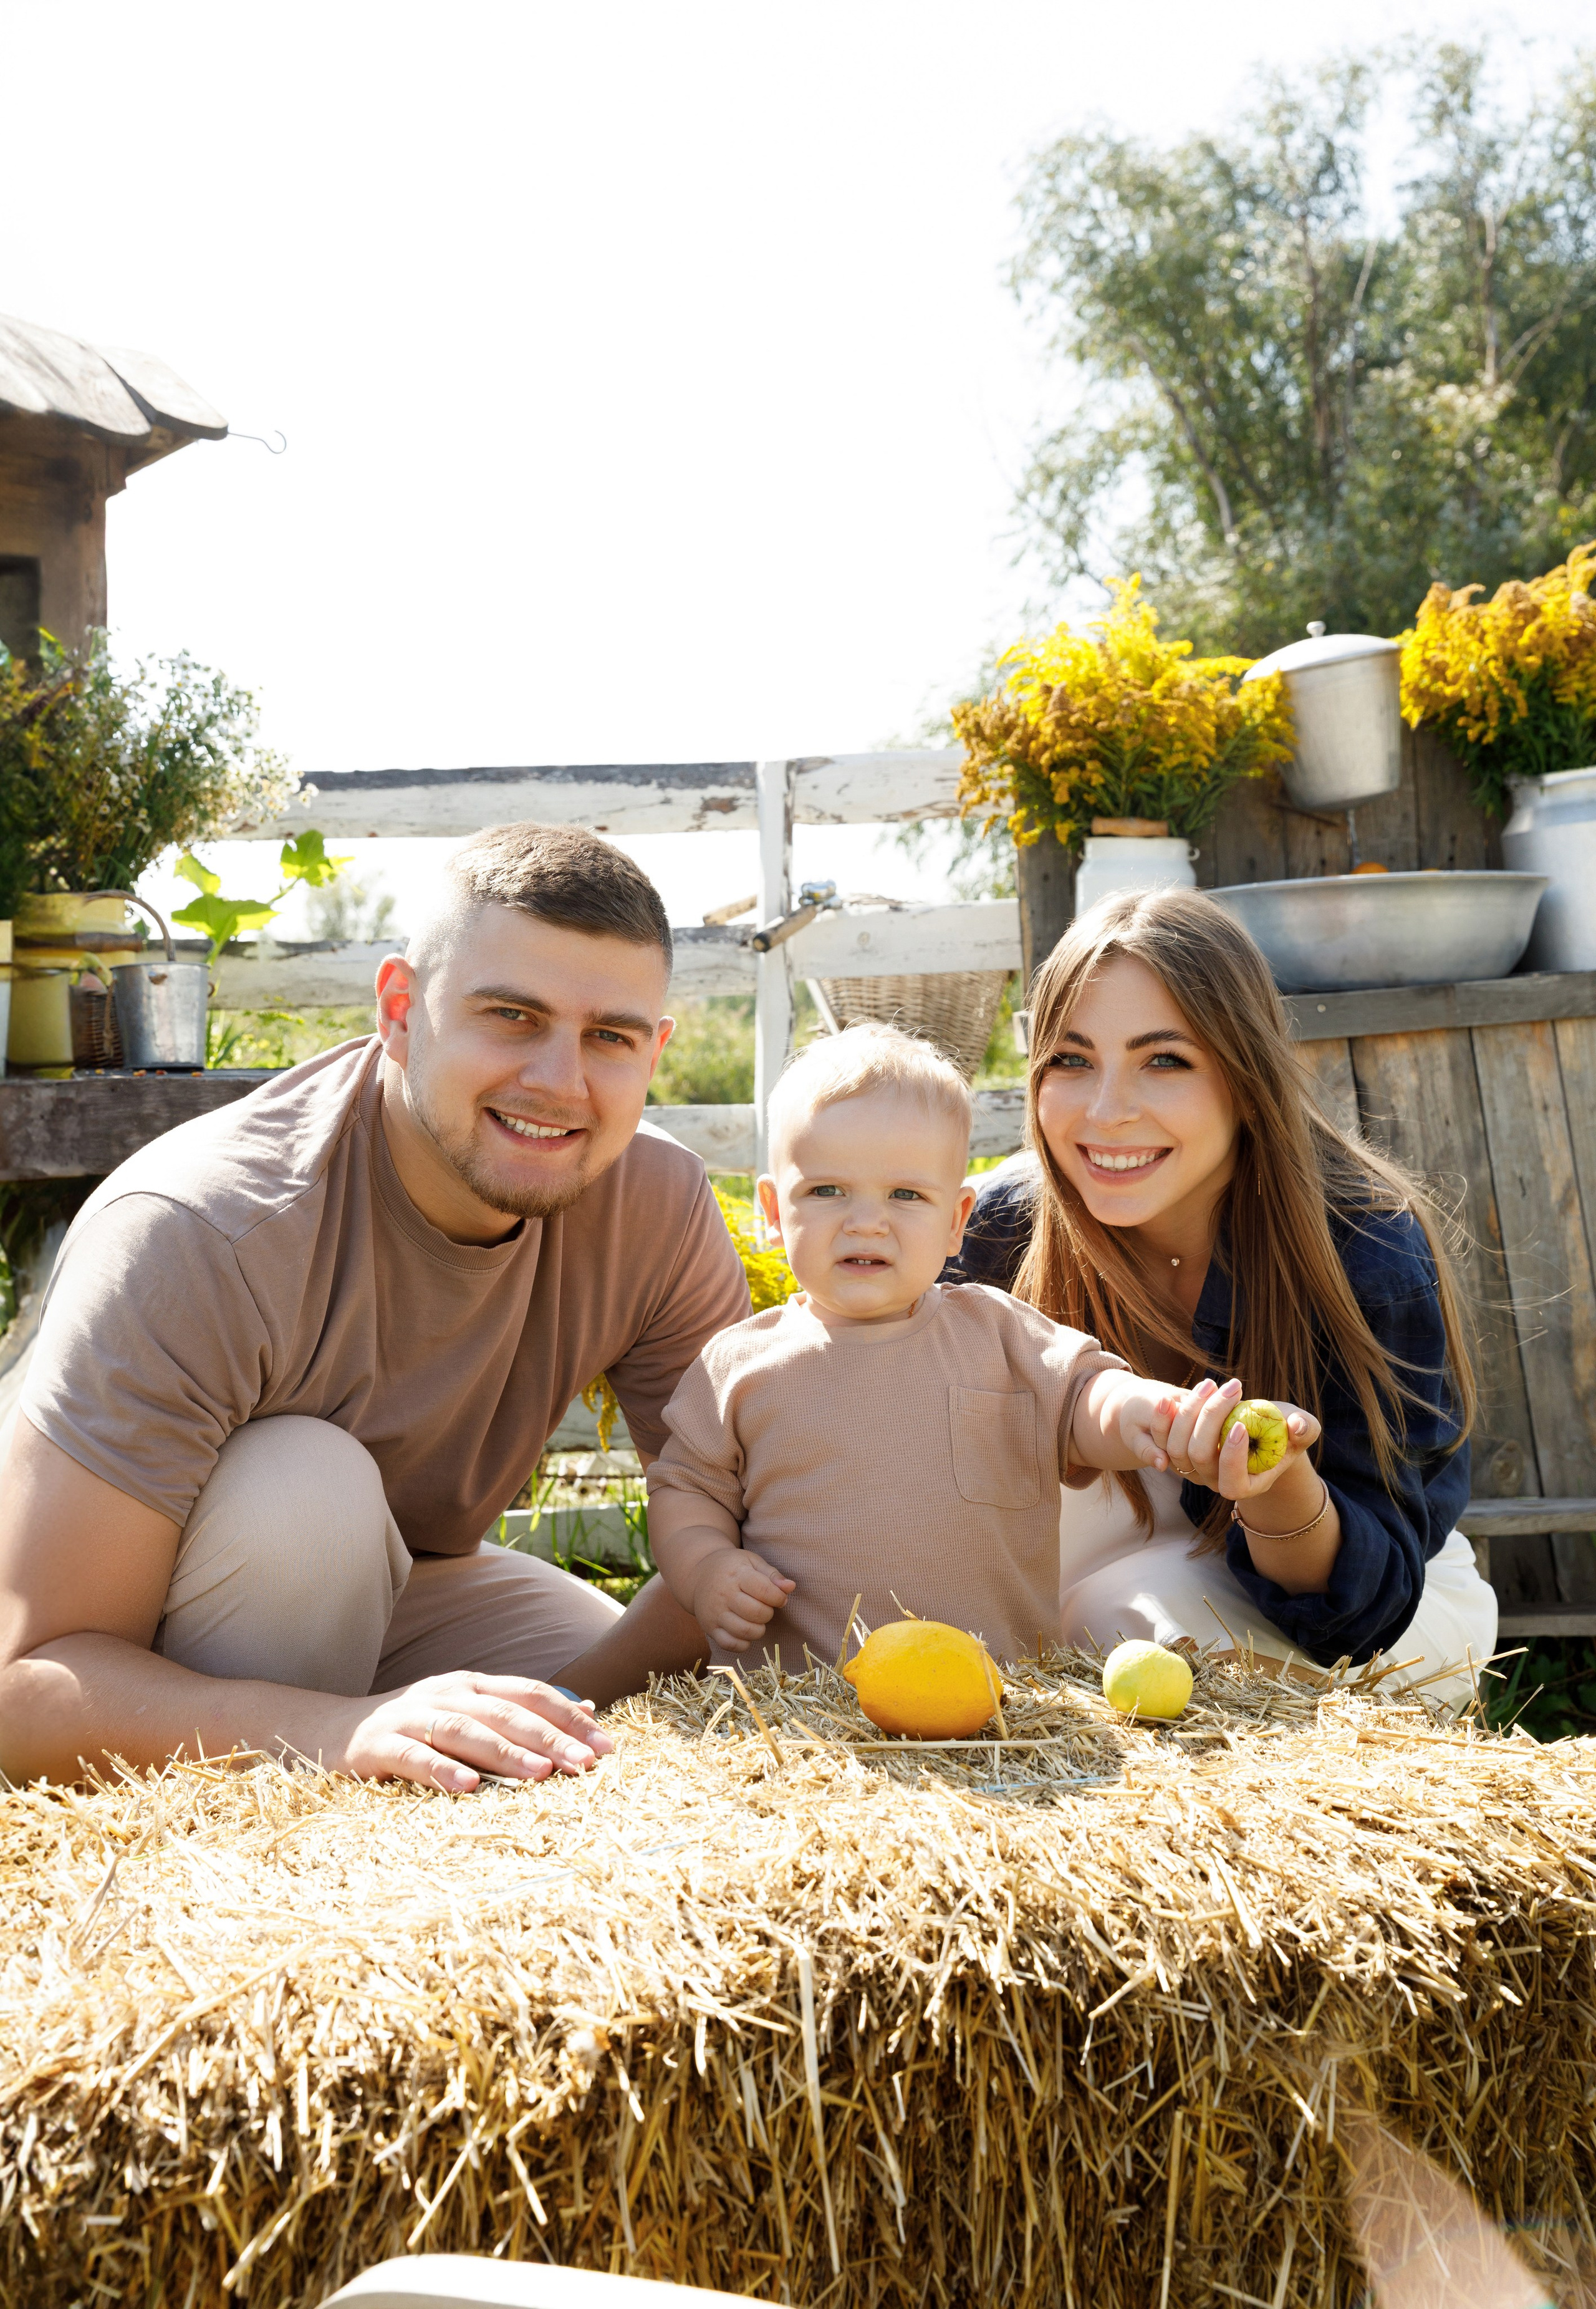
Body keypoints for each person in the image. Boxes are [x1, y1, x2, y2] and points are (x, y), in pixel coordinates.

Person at [0, 822, 748, 1794]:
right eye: (512, 1015)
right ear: (400, 1010)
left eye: (610, 1035)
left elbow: (751, 1527)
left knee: (616, 1704)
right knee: (305, 1493)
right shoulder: (202, 1229)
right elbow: (24, 1687)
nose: (562, 1083)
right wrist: (340, 1731)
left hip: (415, 1586)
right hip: (147, 1625)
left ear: (655, 1051)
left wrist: (534, 1731)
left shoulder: (658, 1203)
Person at [949, 887, 1494, 1702]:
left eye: (1163, 1059)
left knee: (1108, 1618)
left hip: (1369, 1600)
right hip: (1112, 1572)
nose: (1106, 1110)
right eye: (1071, 1058)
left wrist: (1276, 1485)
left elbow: (1356, 1613)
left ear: (1244, 1075)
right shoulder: (1008, 1226)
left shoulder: (1365, 1249)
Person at [645, 1023, 1303, 1669]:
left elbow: (1086, 1399)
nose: (865, 1220)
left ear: (957, 1220)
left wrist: (1160, 1413)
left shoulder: (996, 1333)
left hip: (992, 1700)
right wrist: (706, 1567)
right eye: (826, 1191)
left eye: (905, 1195)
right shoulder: (738, 1365)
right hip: (806, 1711)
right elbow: (685, 1491)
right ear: (770, 1208)